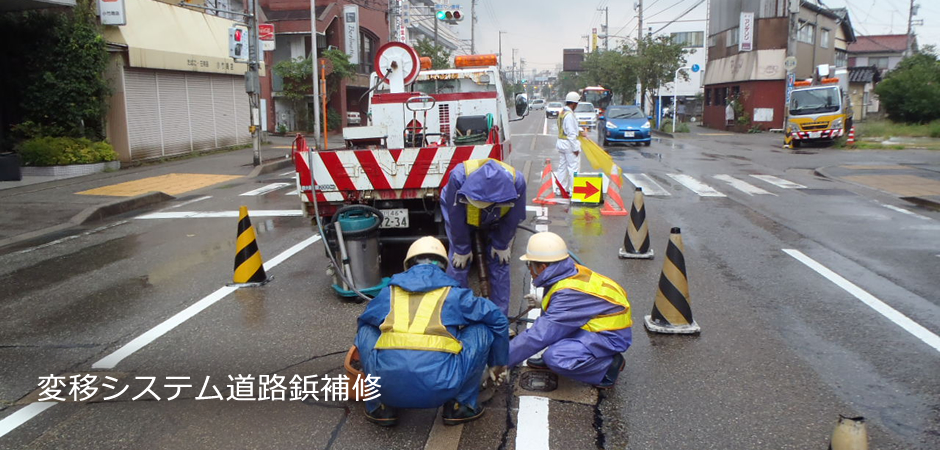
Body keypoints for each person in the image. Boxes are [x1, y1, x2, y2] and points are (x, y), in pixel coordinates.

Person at [355, 237, 510, 427]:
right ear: (443, 267)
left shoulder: (388, 293)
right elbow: (498, 320)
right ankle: (460, 407)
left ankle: (380, 407)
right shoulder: (454, 295)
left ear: (408, 265)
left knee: (366, 329)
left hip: (386, 388)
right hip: (442, 388)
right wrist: (498, 363)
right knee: (483, 329)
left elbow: (364, 323)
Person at [509, 232, 632, 388]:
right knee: (552, 333)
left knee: (556, 357)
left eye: (530, 265)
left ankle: (608, 366)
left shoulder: (568, 294)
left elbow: (539, 335)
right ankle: (572, 352)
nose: (530, 271)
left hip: (609, 336)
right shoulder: (566, 272)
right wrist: (544, 303)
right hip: (597, 325)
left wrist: (500, 361)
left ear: (543, 267)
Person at [441, 158, 526, 316]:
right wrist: (461, 248)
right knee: (459, 264)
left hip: (496, 215)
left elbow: (514, 217)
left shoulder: (517, 183)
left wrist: (501, 244)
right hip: (460, 211)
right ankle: (457, 317)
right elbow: (456, 216)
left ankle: (498, 319)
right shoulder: (458, 178)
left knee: (500, 262)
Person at [555, 91, 585, 197]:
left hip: (561, 143)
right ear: (573, 103)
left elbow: (567, 127)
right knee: (573, 168)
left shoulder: (562, 112)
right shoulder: (569, 115)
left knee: (562, 167)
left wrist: (580, 130)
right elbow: (571, 133)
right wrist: (575, 148)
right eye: (576, 104)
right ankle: (573, 191)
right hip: (568, 145)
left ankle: (560, 189)